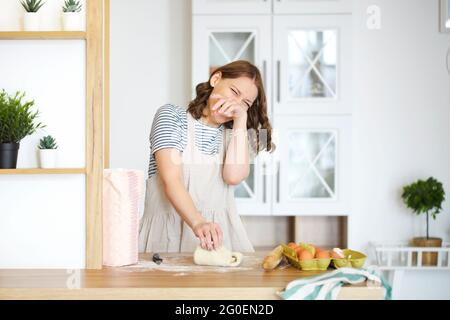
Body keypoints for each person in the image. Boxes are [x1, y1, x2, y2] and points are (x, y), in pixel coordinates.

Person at [138, 60, 274, 253]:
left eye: (245, 104)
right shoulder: (171, 116)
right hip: (167, 235)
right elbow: (171, 180)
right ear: (216, 79)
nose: (235, 104)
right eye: (234, 92)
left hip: (218, 240)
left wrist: (241, 119)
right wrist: (199, 223)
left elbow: (233, 177)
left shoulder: (237, 135)